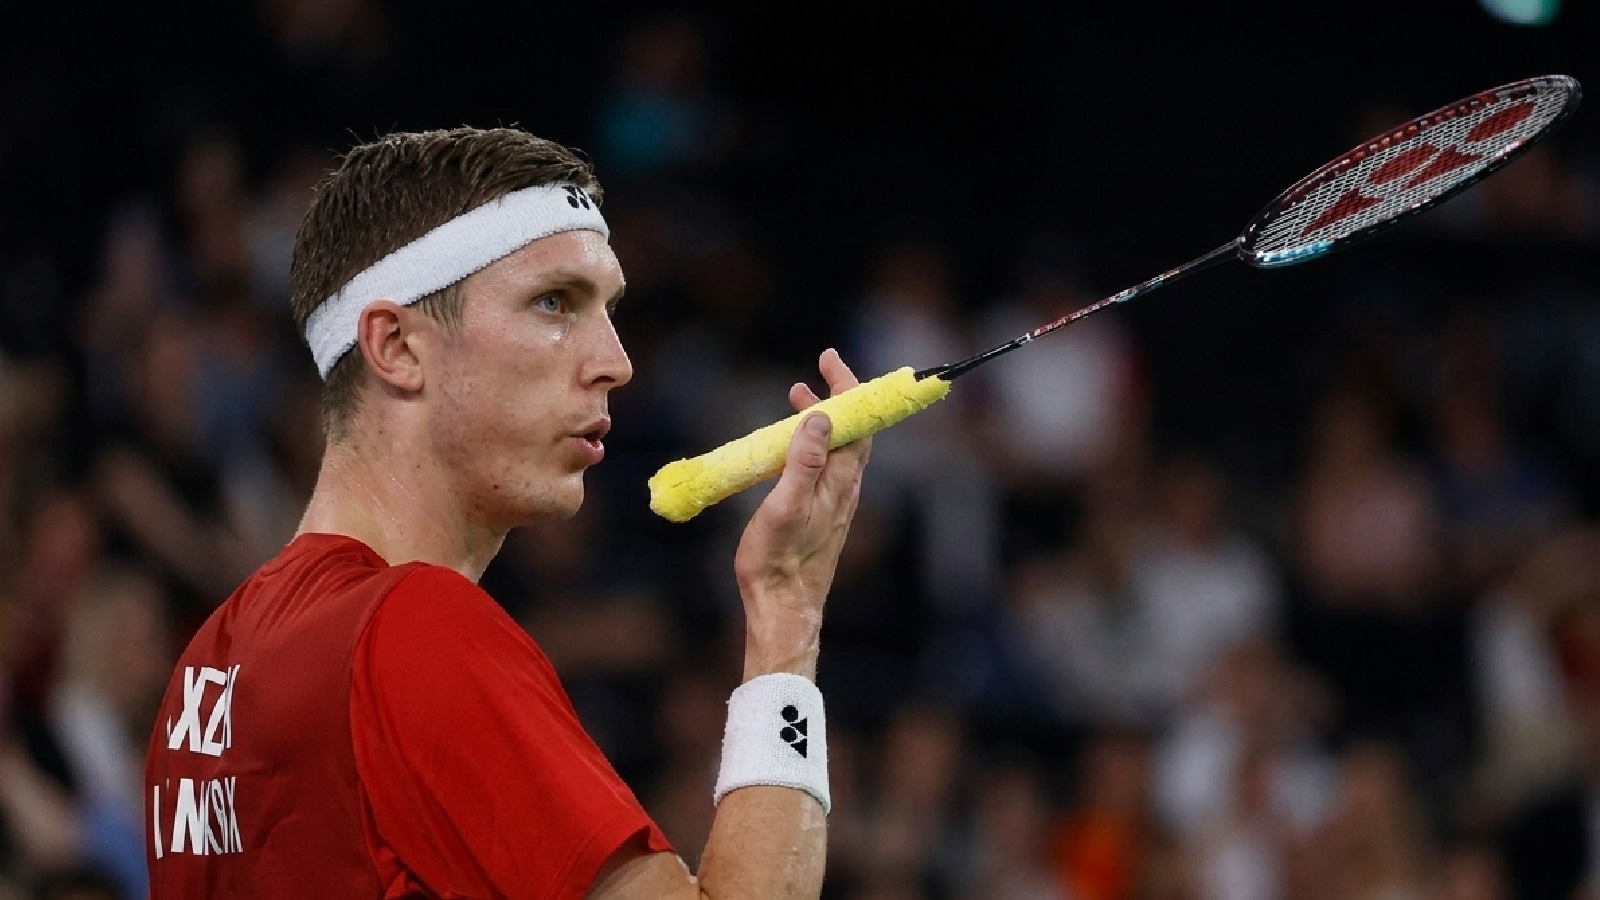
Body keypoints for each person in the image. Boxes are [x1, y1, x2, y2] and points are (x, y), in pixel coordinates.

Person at [143, 126, 873, 898]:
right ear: (395, 345)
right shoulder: (411, 627)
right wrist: (786, 614)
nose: (616, 361)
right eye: (554, 302)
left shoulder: (204, 672)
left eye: (610, 308)